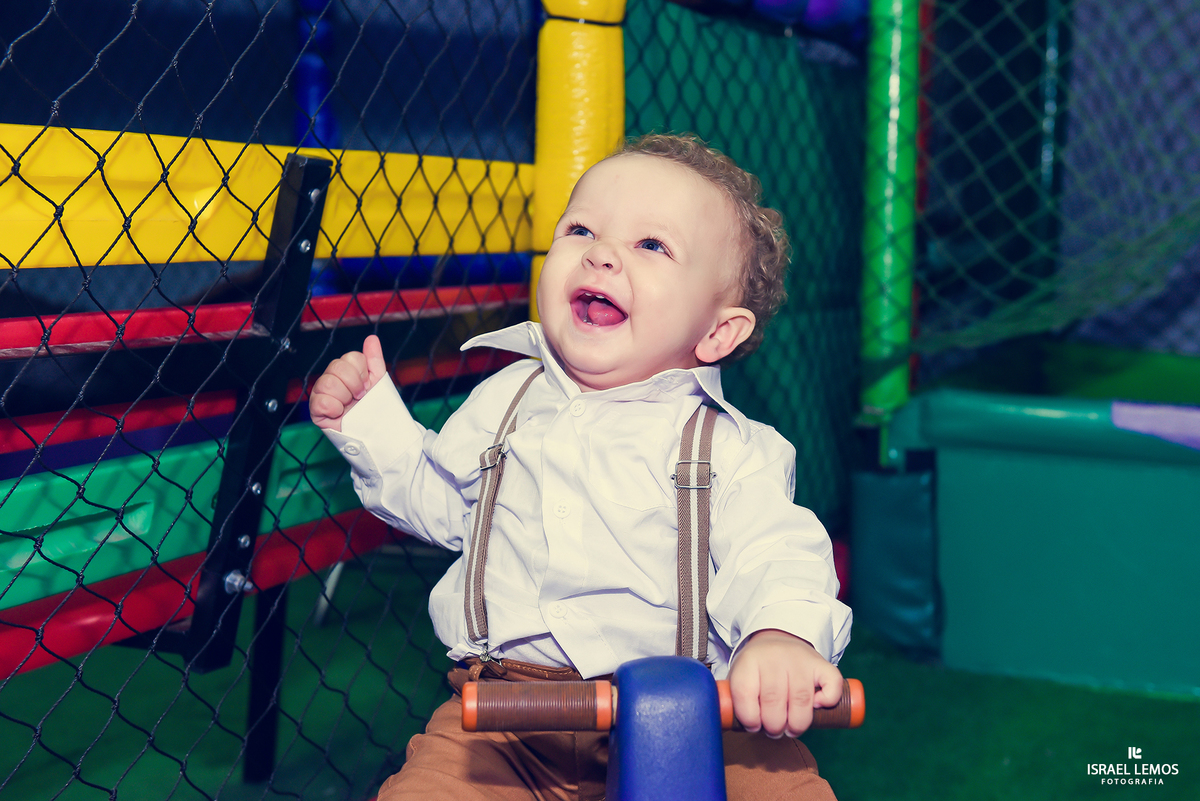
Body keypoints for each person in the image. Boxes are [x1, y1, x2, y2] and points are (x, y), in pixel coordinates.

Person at [310, 133, 852, 801]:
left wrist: (779, 636)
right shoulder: (504, 401)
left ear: (716, 333)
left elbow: (777, 551)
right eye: (581, 228)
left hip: (694, 717)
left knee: (783, 791)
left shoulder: (731, 448)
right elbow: (446, 504)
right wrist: (371, 423)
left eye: (651, 245)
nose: (600, 252)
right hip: (504, 724)